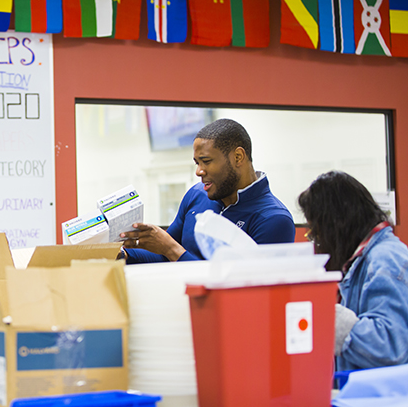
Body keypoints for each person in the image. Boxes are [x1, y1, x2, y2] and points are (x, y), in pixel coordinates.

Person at [121, 118, 295, 262]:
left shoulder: (274, 219)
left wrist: (171, 249)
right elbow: (163, 255)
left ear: (238, 157)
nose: (199, 171)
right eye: (197, 163)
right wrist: (121, 255)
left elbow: (239, 288)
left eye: (206, 161)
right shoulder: (197, 194)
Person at [298, 171, 408, 371]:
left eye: (317, 230)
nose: (317, 240)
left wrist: (323, 312)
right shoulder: (361, 259)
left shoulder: (386, 259)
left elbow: (390, 347)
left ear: (336, 224)